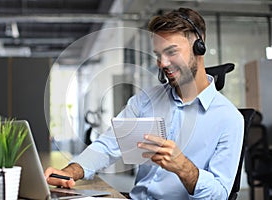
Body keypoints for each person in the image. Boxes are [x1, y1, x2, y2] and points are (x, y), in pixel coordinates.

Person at [44, 7, 244, 199]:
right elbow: (107, 145)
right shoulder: (144, 101)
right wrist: (70, 172)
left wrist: (184, 168)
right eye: (158, 55)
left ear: (199, 47)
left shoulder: (229, 119)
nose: (163, 63)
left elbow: (219, 194)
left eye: (172, 52)